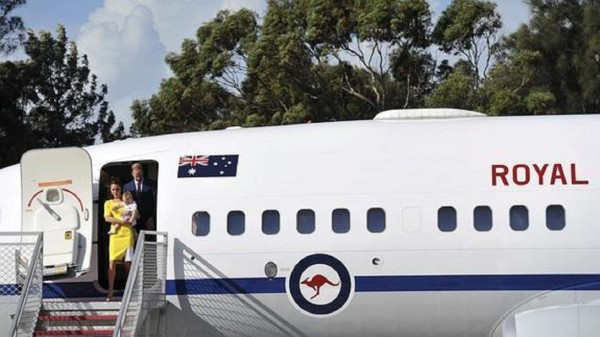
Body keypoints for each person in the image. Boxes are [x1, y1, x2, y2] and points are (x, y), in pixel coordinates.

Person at [103, 179, 135, 301]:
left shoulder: (127, 200)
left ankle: (131, 289)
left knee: (128, 262)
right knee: (112, 262)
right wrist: (121, 221)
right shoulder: (108, 203)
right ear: (110, 191)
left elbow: (136, 212)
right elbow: (107, 218)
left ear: (120, 190)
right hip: (115, 234)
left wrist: (132, 215)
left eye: (117, 189)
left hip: (127, 233)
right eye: (113, 189)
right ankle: (110, 290)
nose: (116, 191)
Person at [123, 162, 156, 233]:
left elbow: (155, 201)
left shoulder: (152, 184)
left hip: (147, 220)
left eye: (140, 175)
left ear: (142, 172)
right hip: (132, 220)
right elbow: (125, 202)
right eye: (136, 175)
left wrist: (151, 217)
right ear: (132, 173)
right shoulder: (126, 186)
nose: (138, 178)